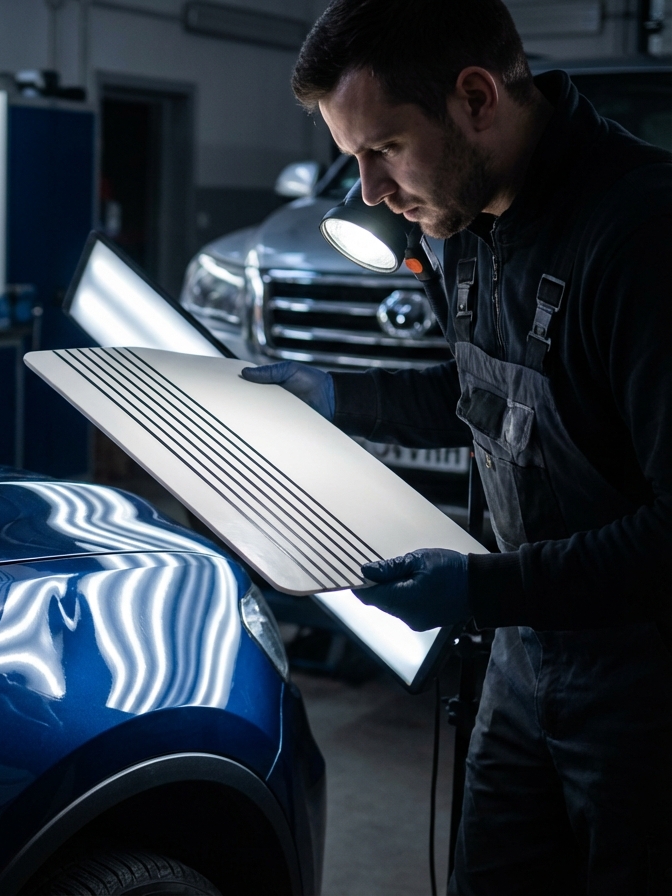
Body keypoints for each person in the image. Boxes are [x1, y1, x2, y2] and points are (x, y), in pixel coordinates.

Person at [241, 0, 672, 892]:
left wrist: (480, 587)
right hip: (523, 657)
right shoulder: (459, 224)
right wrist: (340, 395)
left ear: (476, 98)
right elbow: (488, 396)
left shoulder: (642, 237)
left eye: (385, 149)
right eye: (352, 157)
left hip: (646, 689)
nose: (369, 191)